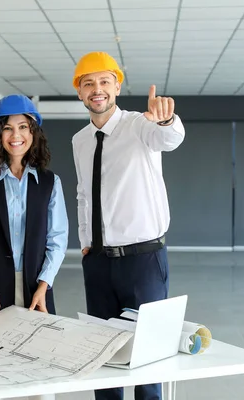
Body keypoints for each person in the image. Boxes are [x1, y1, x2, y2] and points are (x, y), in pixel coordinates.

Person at [71, 52, 185, 400]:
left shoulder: (141, 125)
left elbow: (170, 138)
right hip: (99, 262)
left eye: (104, 81)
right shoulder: (80, 140)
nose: (97, 89)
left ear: (117, 86)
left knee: (147, 362)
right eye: (88, 83)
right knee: (105, 359)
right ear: (79, 92)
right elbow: (83, 194)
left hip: (142, 262)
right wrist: (86, 242)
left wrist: (166, 121)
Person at [0, 94, 68, 329]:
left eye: (23, 127)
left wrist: (44, 284)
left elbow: (57, 241)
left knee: (35, 356)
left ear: (33, 133)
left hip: (36, 289)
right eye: (7, 128)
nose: (16, 135)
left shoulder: (50, 182)